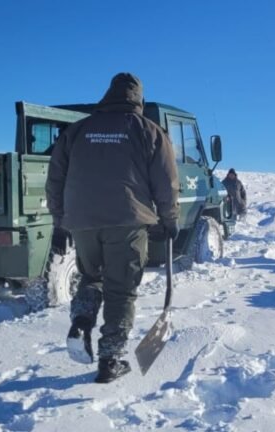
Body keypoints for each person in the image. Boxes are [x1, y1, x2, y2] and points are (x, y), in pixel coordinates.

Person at [45, 73, 180, 383]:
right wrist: (169, 220)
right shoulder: (150, 131)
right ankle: (111, 359)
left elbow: (56, 179)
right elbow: (166, 182)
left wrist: (60, 221)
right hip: (128, 222)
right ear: (139, 99)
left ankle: (81, 319)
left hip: (82, 220)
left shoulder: (77, 131)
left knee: (91, 277)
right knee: (121, 290)